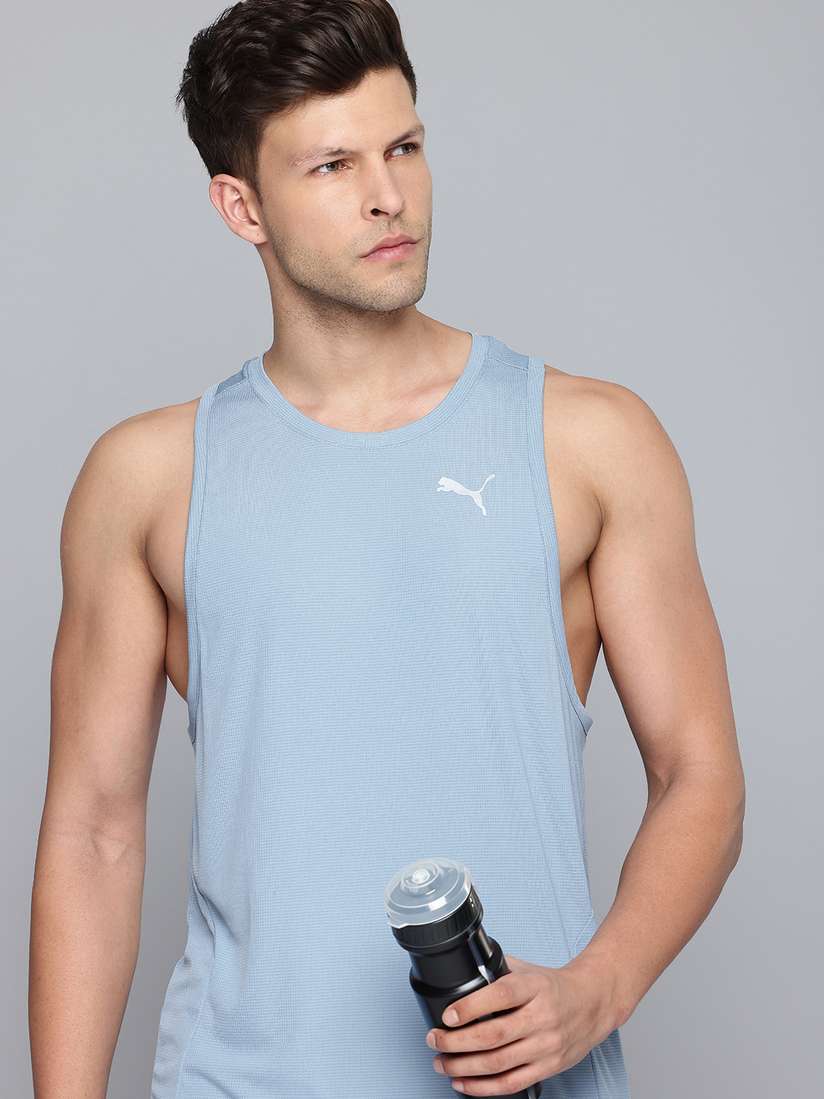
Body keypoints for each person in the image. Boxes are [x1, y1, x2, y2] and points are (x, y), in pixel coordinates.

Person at [29, 2, 746, 1097]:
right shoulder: (148, 481)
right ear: (241, 205)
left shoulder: (588, 441)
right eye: (332, 165)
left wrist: (598, 989)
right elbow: (93, 832)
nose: (388, 196)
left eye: (403, 148)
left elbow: (698, 772)